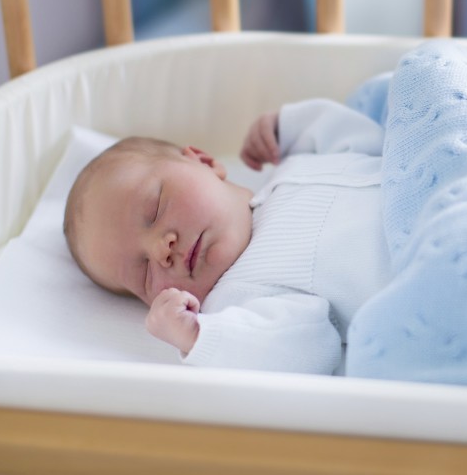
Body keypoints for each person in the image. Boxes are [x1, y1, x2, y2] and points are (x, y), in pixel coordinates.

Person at [63, 98, 391, 374]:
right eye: (144, 273)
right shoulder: (239, 300)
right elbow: (312, 345)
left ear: (204, 160)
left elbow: (370, 142)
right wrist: (201, 337)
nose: (161, 249)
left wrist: (288, 128)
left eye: (155, 209)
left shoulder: (295, 164)